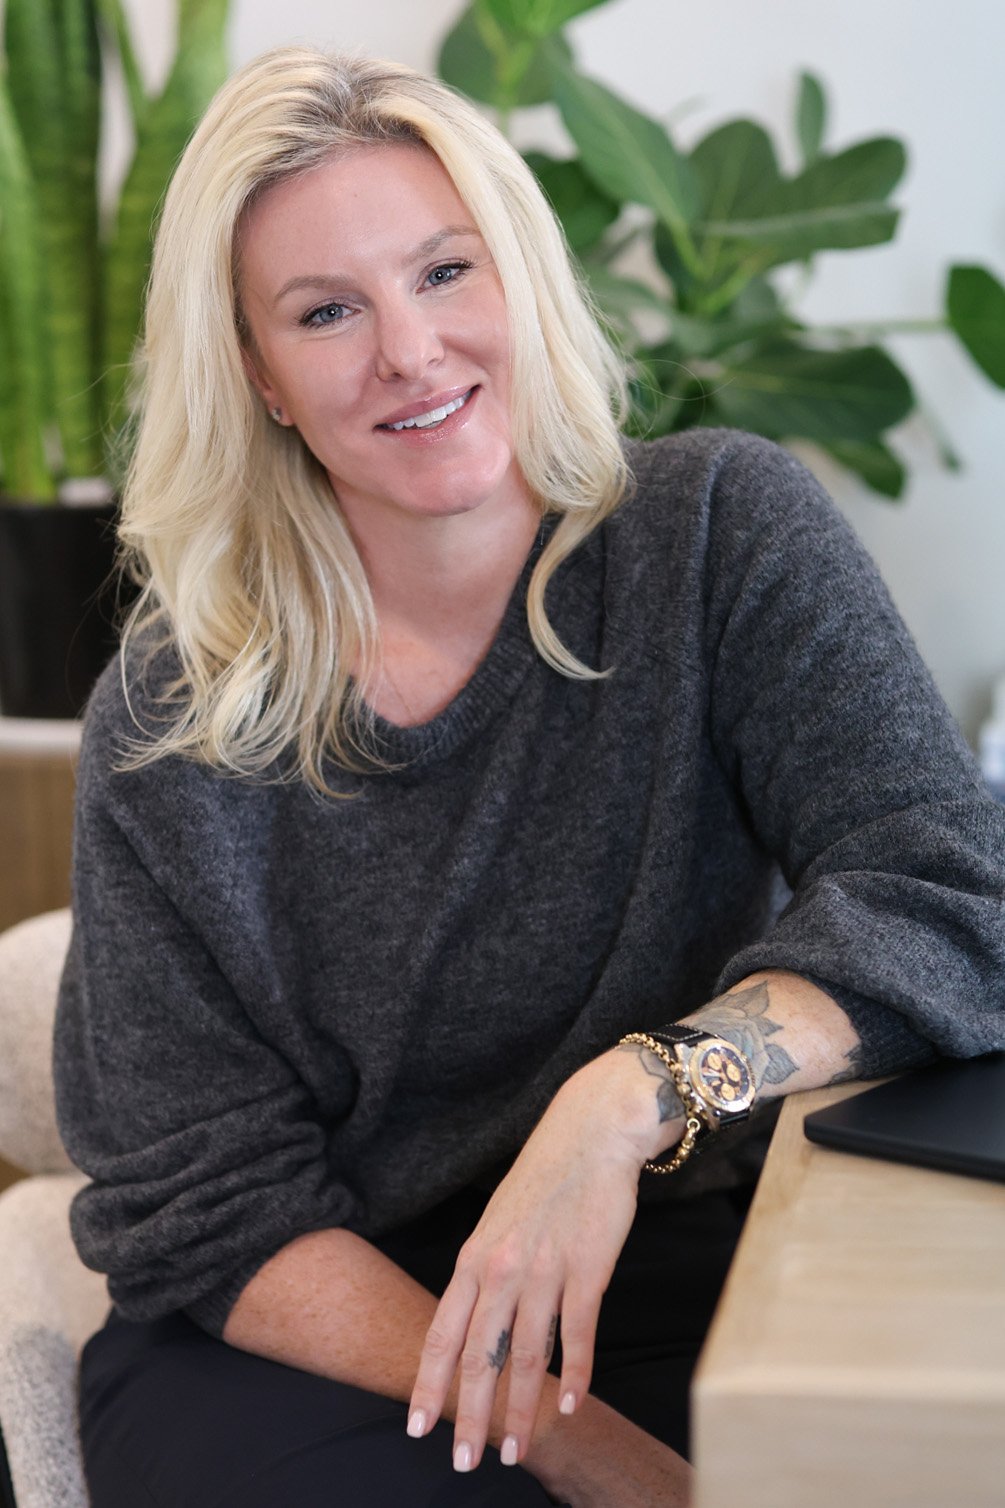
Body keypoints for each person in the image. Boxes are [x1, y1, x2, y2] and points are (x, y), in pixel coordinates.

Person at [53, 45, 1005, 1508]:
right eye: (325, 311)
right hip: (322, 1330)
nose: (410, 351)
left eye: (446, 271)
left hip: (663, 1272)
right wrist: (583, 1448)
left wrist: (631, 1098)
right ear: (257, 375)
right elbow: (204, 1202)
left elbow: (952, 889)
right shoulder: (171, 719)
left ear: (521, 276)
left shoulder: (716, 534)